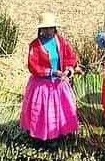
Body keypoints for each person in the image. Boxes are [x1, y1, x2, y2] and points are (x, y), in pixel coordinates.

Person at [20, 12, 78, 149]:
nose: (48, 31)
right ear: (40, 29)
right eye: (45, 28)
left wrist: (69, 70)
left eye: (50, 27)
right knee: (43, 110)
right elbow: (33, 65)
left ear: (54, 28)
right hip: (42, 85)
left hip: (59, 83)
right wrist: (52, 72)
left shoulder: (60, 40)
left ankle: (59, 131)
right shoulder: (35, 45)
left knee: (60, 109)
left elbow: (70, 56)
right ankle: (47, 137)